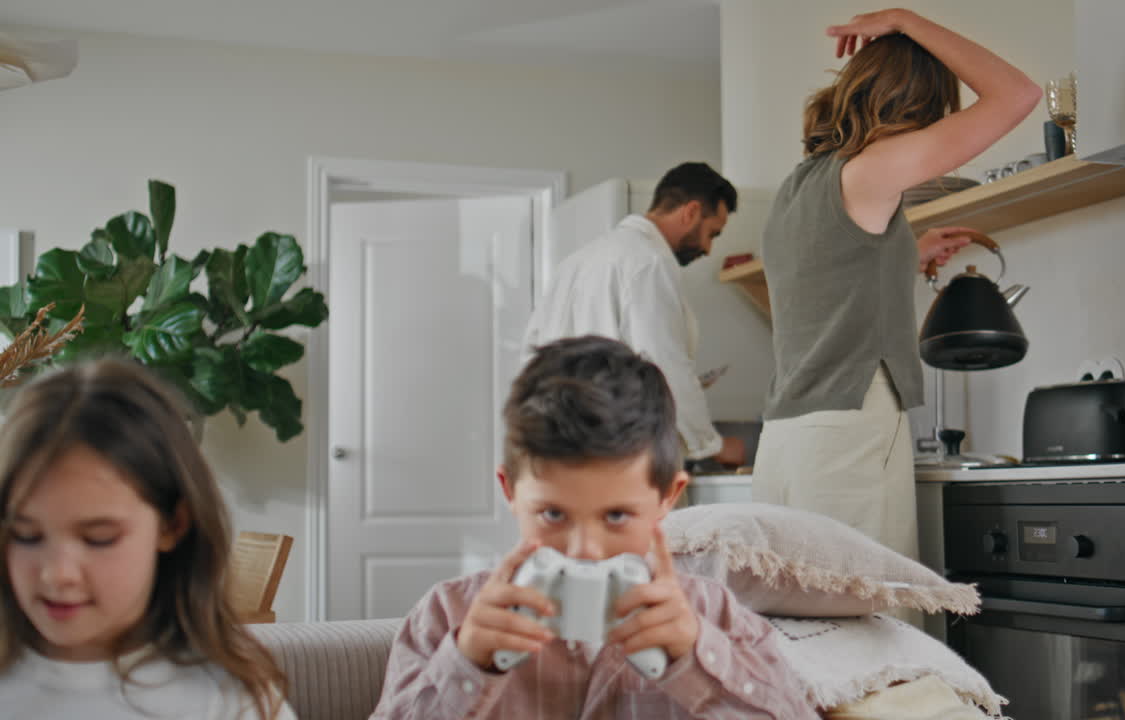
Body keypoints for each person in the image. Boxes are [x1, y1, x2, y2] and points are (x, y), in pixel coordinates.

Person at [371, 335, 817, 719]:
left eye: (617, 516)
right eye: (553, 514)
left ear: (667, 497)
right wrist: (466, 666)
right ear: (509, 491)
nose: (584, 550)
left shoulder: (714, 616)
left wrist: (696, 659)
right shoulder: (448, 614)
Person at [753, 8, 1041, 561]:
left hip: (786, 442)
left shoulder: (803, 183)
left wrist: (908, 253)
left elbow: (830, 280)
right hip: (847, 433)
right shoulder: (874, 168)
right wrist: (909, 20)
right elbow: (1017, 95)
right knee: (873, 621)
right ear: (924, 105)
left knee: (808, 633)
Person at [0, 358, 295, 719]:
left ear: (172, 524)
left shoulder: (226, 700)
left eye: (99, 538)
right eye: (26, 535)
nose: (57, 574)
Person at [522, 162, 747, 469]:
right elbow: (665, 366)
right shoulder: (648, 263)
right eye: (712, 233)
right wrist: (712, 445)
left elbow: (532, 356)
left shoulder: (571, 265)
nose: (708, 248)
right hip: (623, 455)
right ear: (691, 212)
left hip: (559, 451)